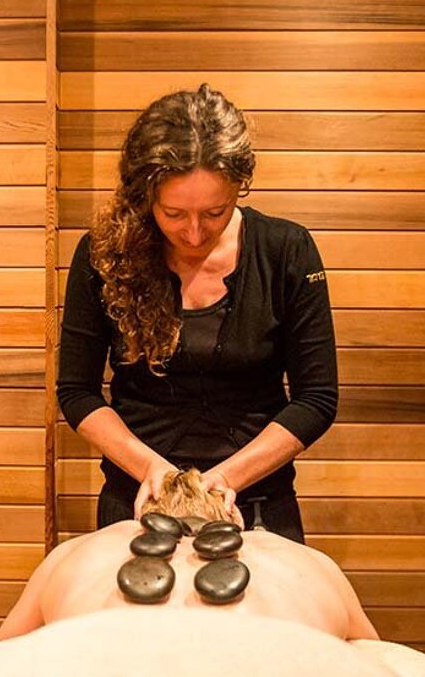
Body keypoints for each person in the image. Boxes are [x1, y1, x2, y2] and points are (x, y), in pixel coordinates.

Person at [57, 83, 337, 542]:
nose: (192, 233)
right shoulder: (104, 254)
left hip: (259, 504)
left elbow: (317, 399)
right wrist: (157, 474)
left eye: (215, 212)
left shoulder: (286, 251)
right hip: (138, 499)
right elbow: (76, 392)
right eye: (173, 214)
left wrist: (220, 483)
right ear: (144, 196)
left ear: (239, 187)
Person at [0, 470, 377, 642]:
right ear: (235, 520)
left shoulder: (77, 553)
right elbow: (378, 659)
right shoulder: (304, 562)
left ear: (143, 519)